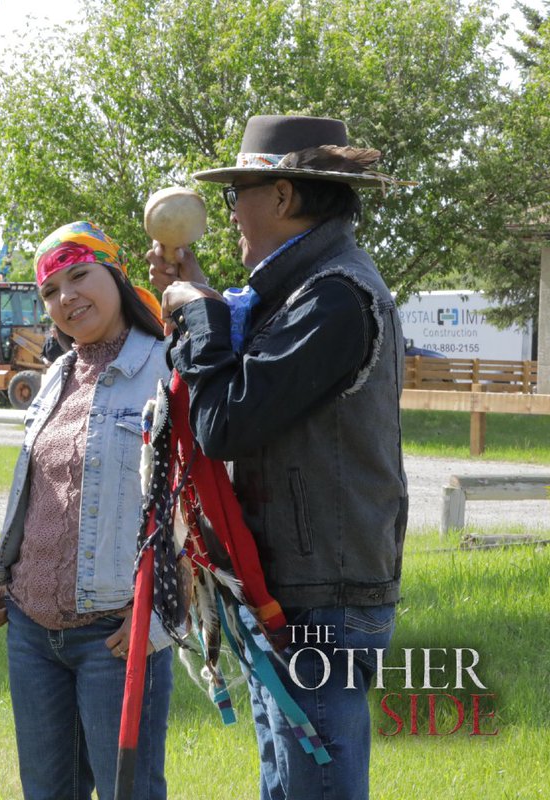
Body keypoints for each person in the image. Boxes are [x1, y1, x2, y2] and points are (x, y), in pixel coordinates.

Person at [146, 115, 408, 800]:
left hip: (322, 589)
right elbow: (234, 383)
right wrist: (198, 299)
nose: (231, 213)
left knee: (311, 784)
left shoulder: (333, 296)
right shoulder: (301, 292)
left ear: (285, 198)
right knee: (289, 782)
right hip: (296, 581)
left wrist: (198, 312)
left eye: (239, 194)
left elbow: (225, 421)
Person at [0, 221, 175, 800]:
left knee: (128, 792)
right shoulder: (56, 376)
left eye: (80, 276)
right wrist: (0, 578)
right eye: (51, 291)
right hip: (30, 628)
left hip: (115, 631)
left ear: (115, 275)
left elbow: (198, 507)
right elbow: (33, 491)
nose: (67, 298)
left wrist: (162, 618)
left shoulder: (167, 370)